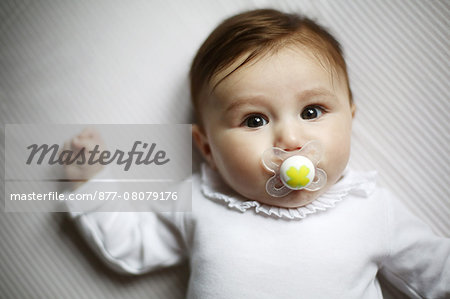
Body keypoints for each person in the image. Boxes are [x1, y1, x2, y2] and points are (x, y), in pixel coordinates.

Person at [65, 9, 450, 298]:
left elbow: (437, 270)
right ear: (207, 148)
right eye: (253, 120)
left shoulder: (369, 207)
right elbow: (132, 246)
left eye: (312, 112)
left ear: (350, 118)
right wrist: (90, 184)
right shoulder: (199, 201)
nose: (290, 138)